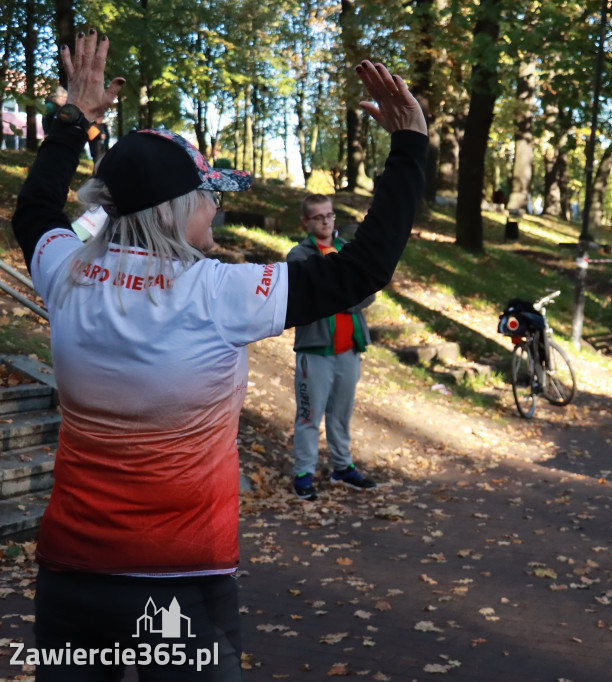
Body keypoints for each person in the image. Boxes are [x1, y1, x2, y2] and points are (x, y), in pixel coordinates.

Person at [11, 29, 426, 681]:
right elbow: (362, 269)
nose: (216, 206)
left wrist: (71, 124)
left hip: (69, 571)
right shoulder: (218, 293)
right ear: (175, 211)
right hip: (180, 577)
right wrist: (409, 145)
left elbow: (34, 210)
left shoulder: (64, 272)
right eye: (208, 195)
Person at [289, 194, 377, 499]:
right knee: (309, 414)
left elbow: (368, 292)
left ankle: (342, 466)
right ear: (306, 222)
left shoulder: (346, 251)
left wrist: (339, 297)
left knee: (341, 414)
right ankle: (303, 473)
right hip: (314, 351)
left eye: (330, 215)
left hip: (349, 348)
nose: (326, 221)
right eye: (319, 217)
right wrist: (343, 294)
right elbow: (312, 295)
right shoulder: (299, 257)